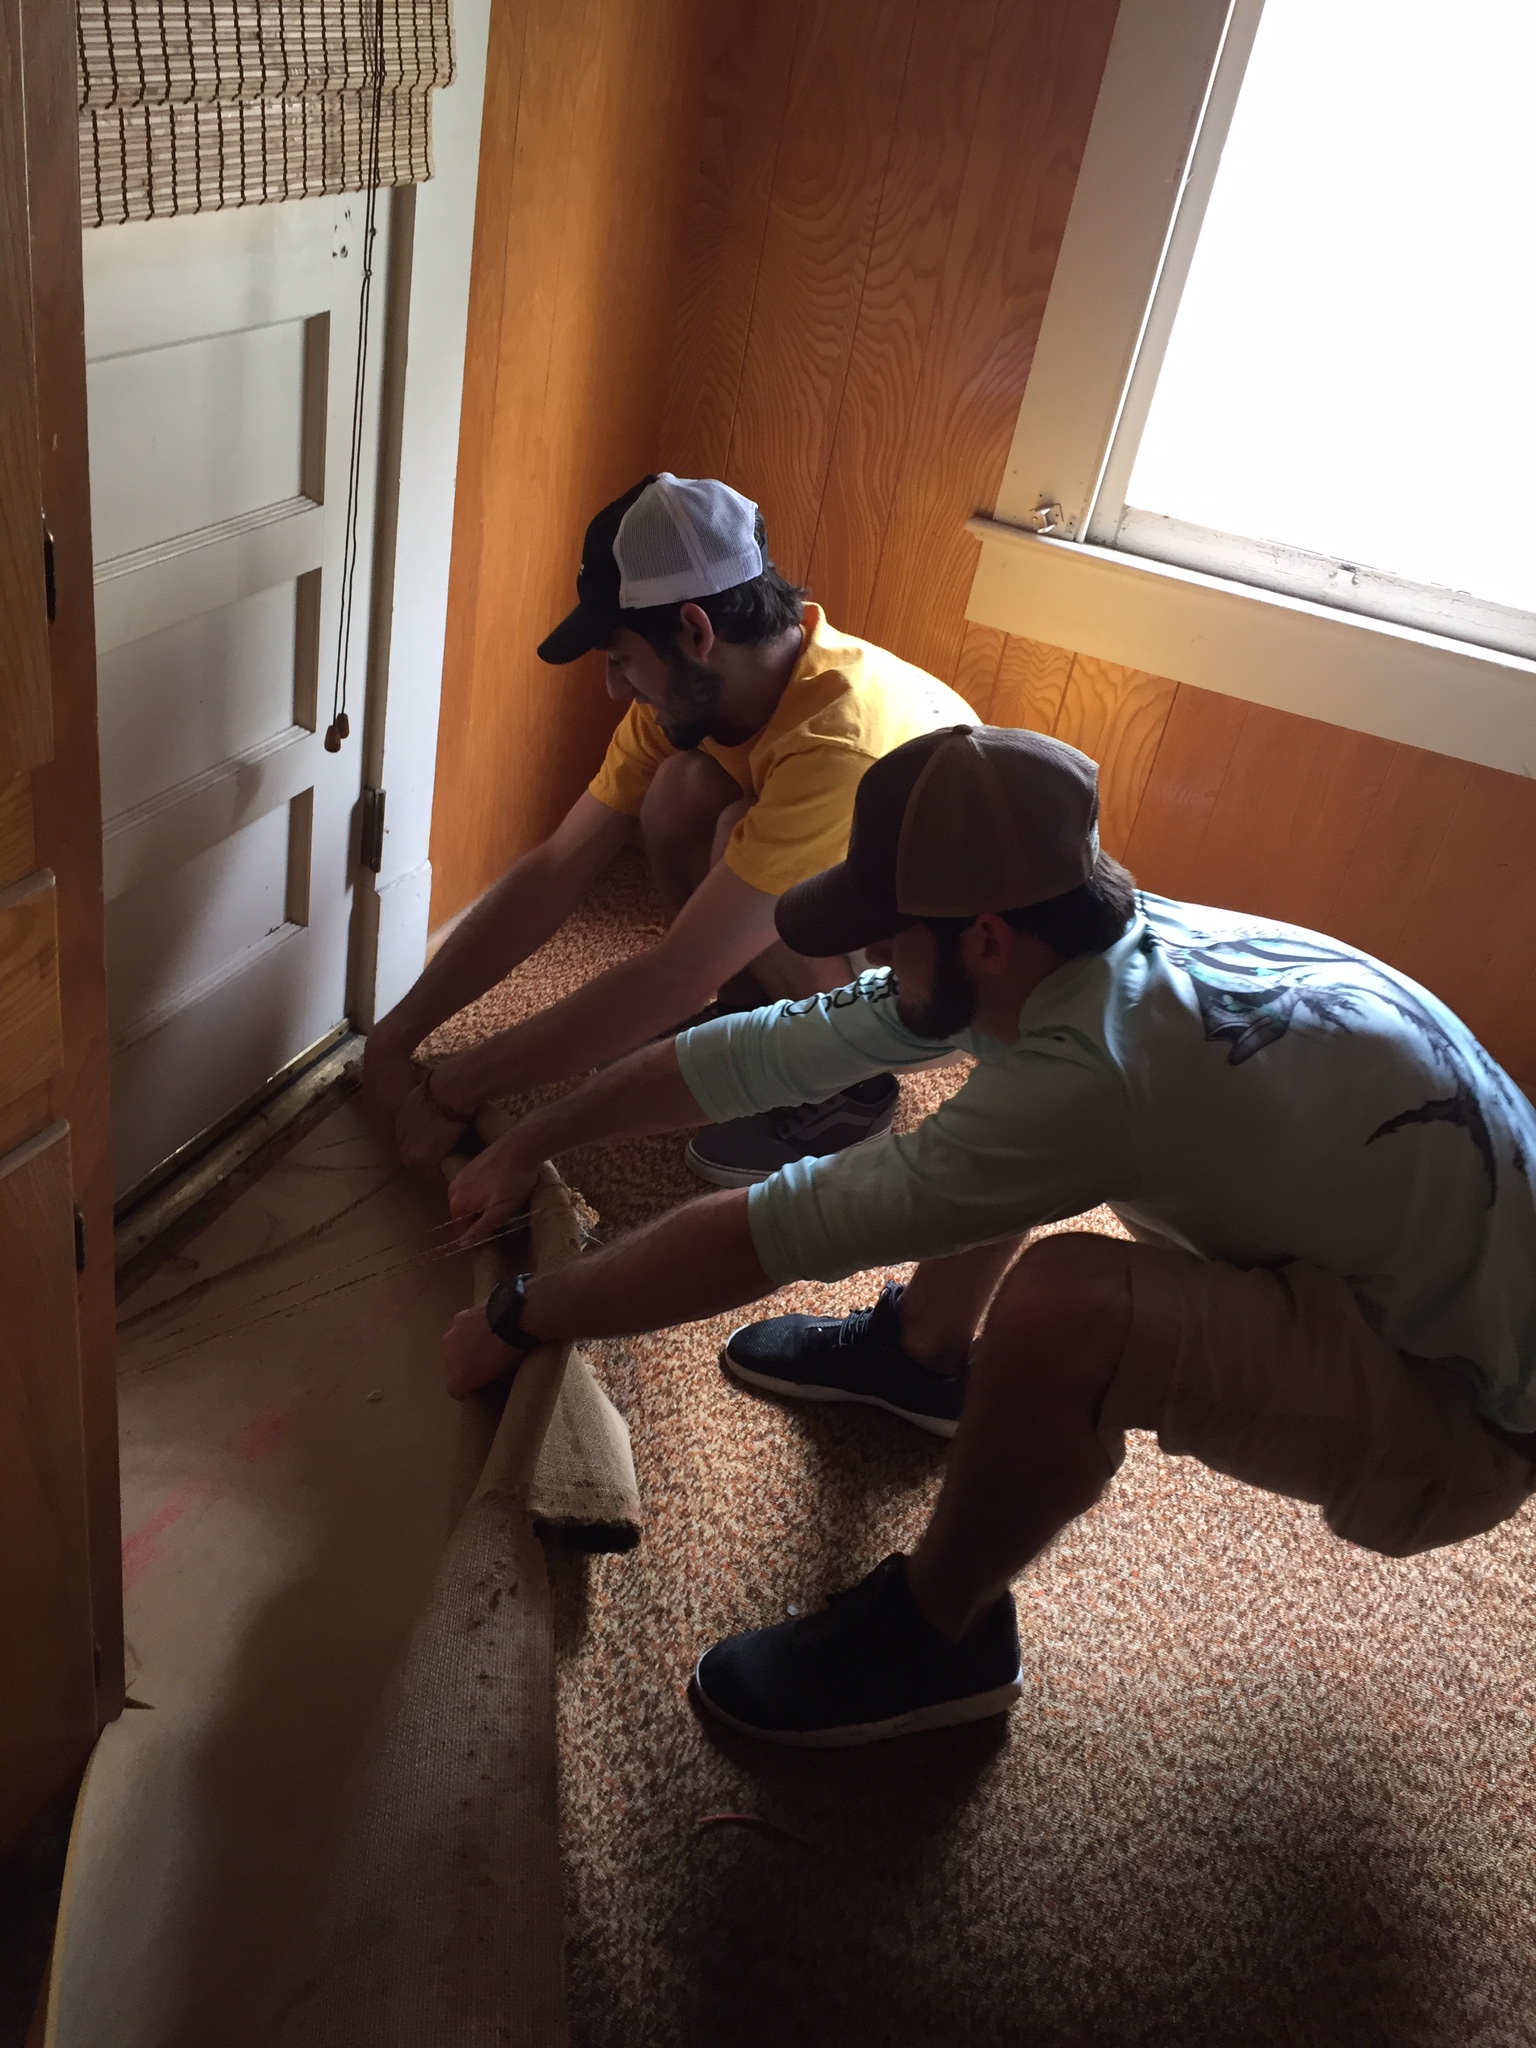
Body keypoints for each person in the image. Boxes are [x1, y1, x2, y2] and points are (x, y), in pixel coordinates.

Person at [437, 723, 1536, 1748]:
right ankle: (922, 1353)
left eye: (885, 932)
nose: (869, 952)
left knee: (1067, 1306)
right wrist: (539, 1133)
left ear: (988, 937)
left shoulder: (1096, 1071)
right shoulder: (1087, 954)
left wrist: (522, 1312)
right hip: (1455, 1273)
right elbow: (763, 1051)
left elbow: (767, 1232)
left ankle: (942, 1637)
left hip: (1466, 1412)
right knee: (1001, 1115)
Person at [362, 472, 976, 1185]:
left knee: (744, 837)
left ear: (694, 629)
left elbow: (678, 975)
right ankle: (750, 1020)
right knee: (683, 790)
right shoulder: (706, 687)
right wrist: (398, 1034)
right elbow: (560, 864)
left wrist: (456, 1087)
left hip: (941, 983)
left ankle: (845, 1087)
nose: (615, 687)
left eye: (621, 658)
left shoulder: (840, 742)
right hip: (862, 919)